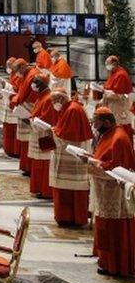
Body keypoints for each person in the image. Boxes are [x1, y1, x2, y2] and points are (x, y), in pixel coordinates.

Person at [81, 107, 135, 277]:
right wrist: (91, 158)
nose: (93, 124)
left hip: (114, 193)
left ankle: (115, 264)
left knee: (112, 229)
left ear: (106, 121)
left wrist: (90, 162)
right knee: (104, 227)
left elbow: (115, 169)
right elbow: (106, 160)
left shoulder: (118, 138)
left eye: (96, 121)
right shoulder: (110, 133)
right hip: (105, 191)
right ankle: (105, 260)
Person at [49, 89, 92, 226]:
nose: (53, 104)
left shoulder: (72, 110)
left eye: (54, 101)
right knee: (66, 188)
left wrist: (53, 132)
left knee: (71, 188)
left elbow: (67, 135)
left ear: (61, 99)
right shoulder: (69, 108)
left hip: (71, 155)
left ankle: (70, 217)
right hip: (69, 154)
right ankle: (66, 216)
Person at [28, 73, 57, 199]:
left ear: (41, 84)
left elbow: (47, 118)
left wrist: (33, 120)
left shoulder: (48, 98)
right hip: (37, 132)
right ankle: (39, 188)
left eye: (35, 82)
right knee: (38, 163)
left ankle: (45, 190)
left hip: (44, 133)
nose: (33, 85)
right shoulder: (42, 95)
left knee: (44, 163)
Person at [103, 56, 133, 138]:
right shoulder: (113, 72)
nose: (106, 65)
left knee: (120, 124)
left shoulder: (121, 74)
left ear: (114, 63)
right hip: (113, 104)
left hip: (119, 105)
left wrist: (105, 93)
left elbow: (118, 94)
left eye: (107, 63)